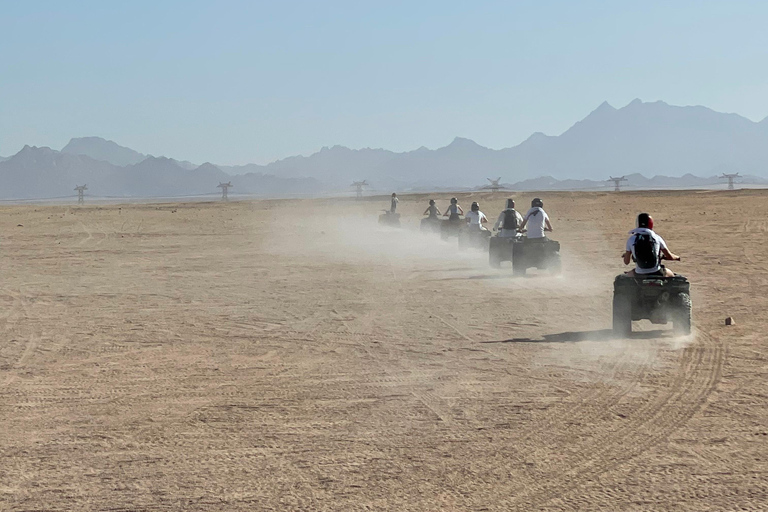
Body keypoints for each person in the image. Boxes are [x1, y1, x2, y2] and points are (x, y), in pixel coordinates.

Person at [623, 213, 680, 277]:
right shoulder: (657, 238)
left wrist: (627, 255)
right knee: (673, 276)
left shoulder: (631, 239)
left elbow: (626, 262)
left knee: (625, 276)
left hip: (639, 273)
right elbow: (670, 257)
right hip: (657, 272)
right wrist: (677, 257)